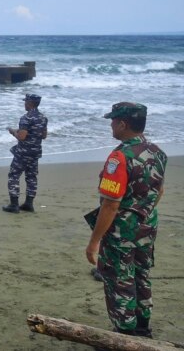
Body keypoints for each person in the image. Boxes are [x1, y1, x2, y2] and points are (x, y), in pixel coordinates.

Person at [85, 102, 166, 338]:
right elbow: (159, 192)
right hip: (147, 225)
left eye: (113, 121)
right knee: (141, 274)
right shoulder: (157, 152)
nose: (111, 124)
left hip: (122, 231)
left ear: (123, 124)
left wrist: (94, 242)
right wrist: (141, 213)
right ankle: (143, 326)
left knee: (119, 280)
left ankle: (125, 333)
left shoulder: (119, 158)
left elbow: (111, 204)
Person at [3, 93, 48, 213]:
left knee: (14, 176)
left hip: (23, 153)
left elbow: (21, 137)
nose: (24, 104)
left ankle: (14, 205)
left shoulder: (26, 118)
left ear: (29, 103)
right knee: (31, 177)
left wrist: (13, 131)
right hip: (35, 152)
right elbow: (43, 135)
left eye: (25, 102)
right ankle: (29, 204)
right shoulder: (43, 118)